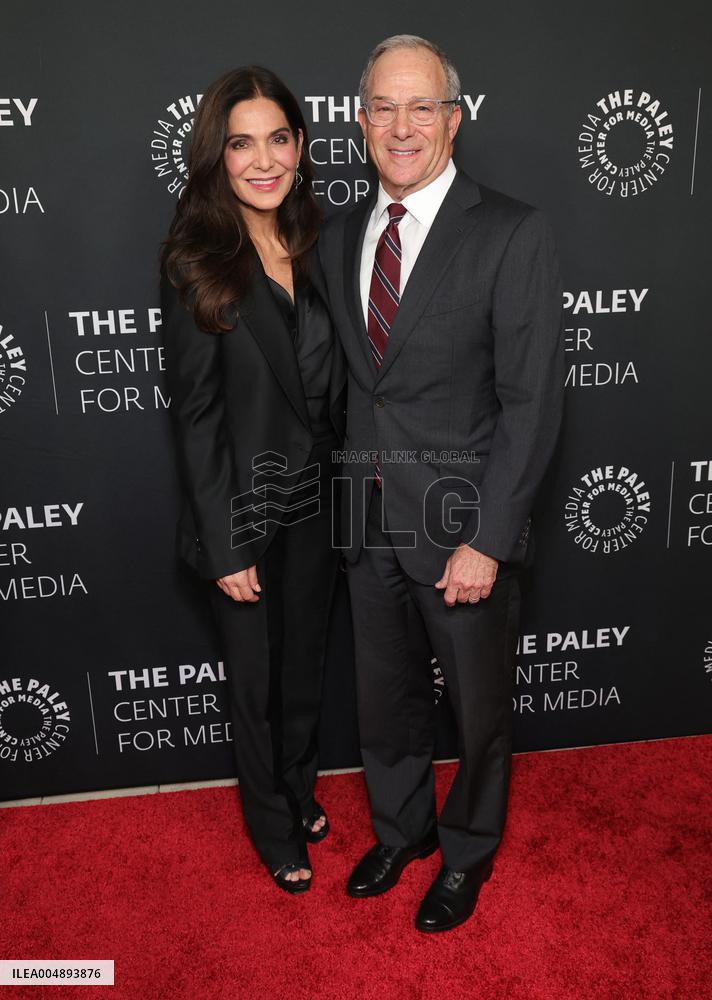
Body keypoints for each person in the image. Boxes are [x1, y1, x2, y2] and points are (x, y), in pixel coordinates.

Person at [318, 35, 564, 931]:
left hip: (464, 527)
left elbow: (531, 402)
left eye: (423, 107)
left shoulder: (510, 231)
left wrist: (490, 538)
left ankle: (465, 854)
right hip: (365, 518)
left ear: (454, 122)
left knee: (477, 711)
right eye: (384, 106)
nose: (402, 125)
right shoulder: (341, 234)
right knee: (383, 702)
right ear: (360, 121)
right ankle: (401, 831)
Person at [160, 66, 345, 894]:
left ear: (300, 147)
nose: (263, 160)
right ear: (218, 156)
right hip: (243, 510)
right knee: (255, 681)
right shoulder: (197, 259)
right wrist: (224, 539)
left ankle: (299, 788)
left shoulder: (320, 239)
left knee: (303, 665)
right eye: (243, 143)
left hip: (318, 503)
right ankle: (273, 826)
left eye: (278, 139)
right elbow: (195, 416)